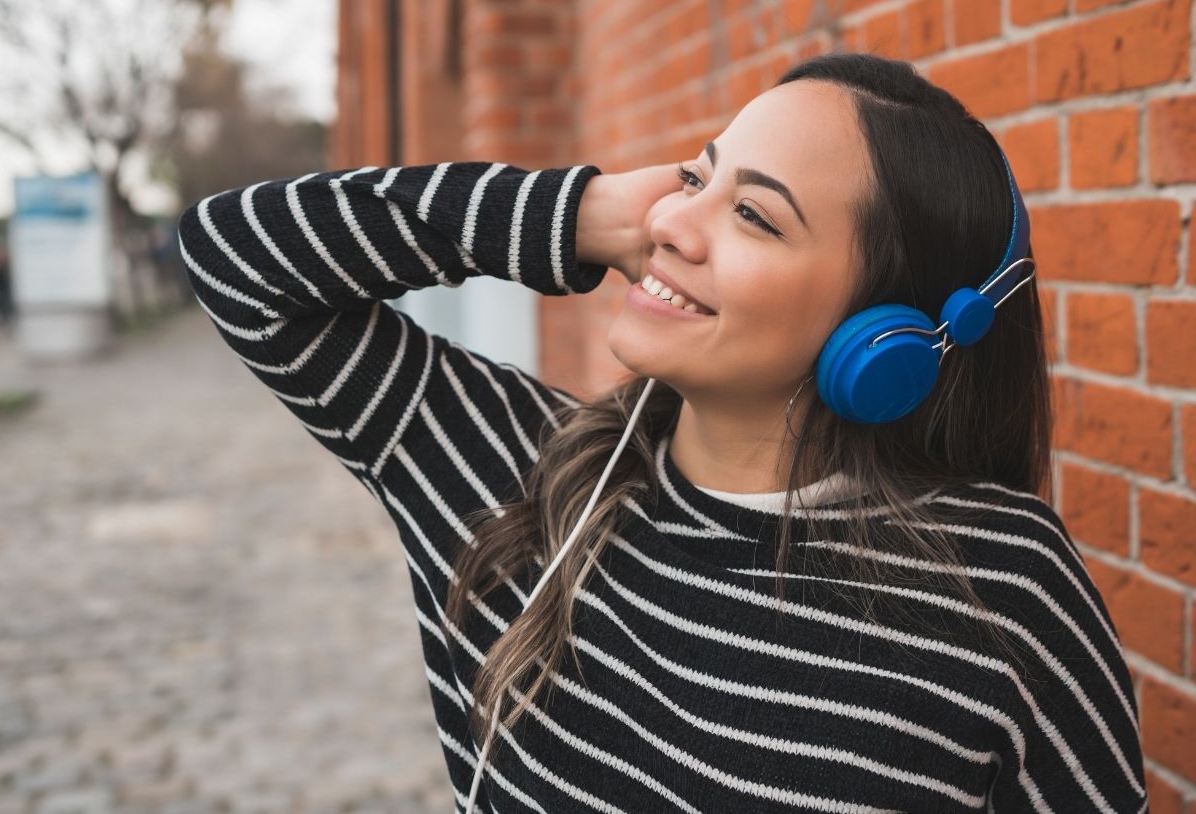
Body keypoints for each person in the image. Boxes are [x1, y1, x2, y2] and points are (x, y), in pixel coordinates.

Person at [177, 52, 1148, 813]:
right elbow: (236, 257)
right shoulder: (510, 469)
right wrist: (581, 211)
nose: (674, 222)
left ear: (884, 338)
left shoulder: (1002, 591)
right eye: (696, 174)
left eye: (756, 216)